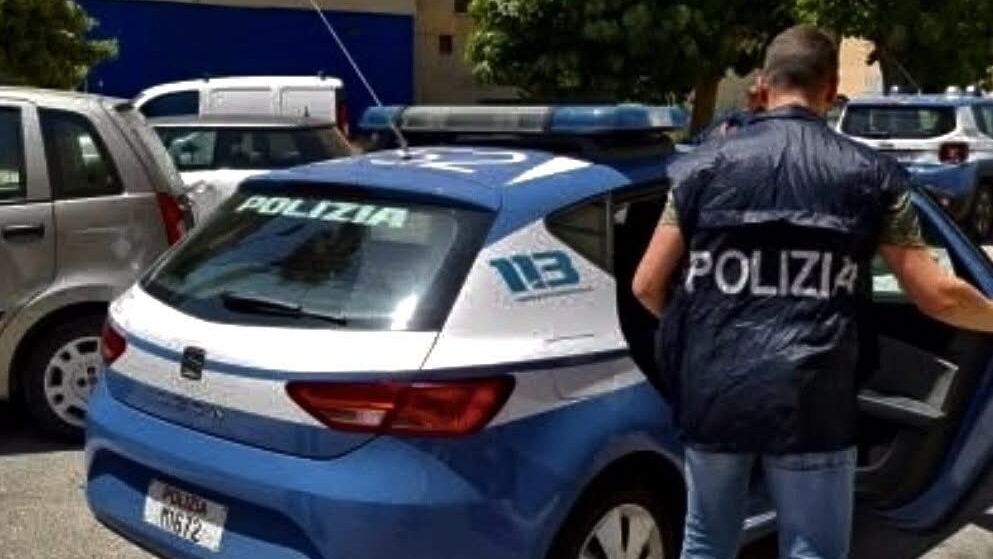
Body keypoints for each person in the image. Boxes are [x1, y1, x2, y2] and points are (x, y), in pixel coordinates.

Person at [632, 26, 993, 559]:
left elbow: (645, 285)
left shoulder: (700, 168)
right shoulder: (870, 174)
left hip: (713, 389)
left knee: (706, 541)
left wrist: (701, 332)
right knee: (813, 550)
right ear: (832, 87)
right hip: (811, 396)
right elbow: (936, 295)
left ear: (764, 83)